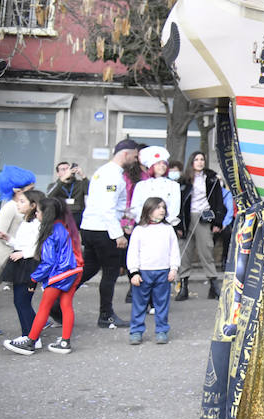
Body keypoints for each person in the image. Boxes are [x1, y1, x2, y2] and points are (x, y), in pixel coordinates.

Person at [2, 196, 80, 355]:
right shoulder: (63, 226)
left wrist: (33, 278)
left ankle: (31, 341)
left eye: (38, 211)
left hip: (59, 274)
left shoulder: (50, 231)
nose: (36, 214)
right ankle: (65, 342)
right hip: (74, 271)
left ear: (47, 213)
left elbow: (49, 262)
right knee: (66, 306)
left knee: (44, 307)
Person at [79, 138, 141, 329]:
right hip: (103, 230)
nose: (136, 160)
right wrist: (118, 235)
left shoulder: (103, 171)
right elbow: (107, 208)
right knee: (110, 273)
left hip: (91, 227)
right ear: (125, 154)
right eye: (135, 156)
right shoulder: (113, 175)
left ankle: (57, 303)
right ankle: (106, 315)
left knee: (88, 269)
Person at [126, 196, 180, 345]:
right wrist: (134, 271)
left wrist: (173, 268)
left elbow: (174, 250)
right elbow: (133, 252)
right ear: (148, 210)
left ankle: (162, 330)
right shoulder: (139, 230)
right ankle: (136, 331)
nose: (161, 210)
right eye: (158, 207)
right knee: (139, 303)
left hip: (163, 271)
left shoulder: (168, 229)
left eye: (163, 207)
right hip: (144, 272)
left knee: (162, 303)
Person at [0, 164, 37, 332]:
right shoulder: (11, 207)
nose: (33, 190)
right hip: (6, 254)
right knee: (17, 293)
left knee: (15, 293)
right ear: (18, 190)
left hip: (13, 251)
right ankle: (32, 324)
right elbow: (0, 233)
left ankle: (32, 323)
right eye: (30, 188)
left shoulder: (22, 205)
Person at [177, 151, 225, 302]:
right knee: (185, 252)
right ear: (191, 162)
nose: (199, 162)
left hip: (203, 217)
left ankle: (213, 284)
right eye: (196, 159)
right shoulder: (183, 180)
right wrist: (178, 223)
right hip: (186, 217)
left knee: (206, 249)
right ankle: (183, 285)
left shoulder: (211, 178)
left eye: (202, 159)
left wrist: (217, 222)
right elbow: (178, 203)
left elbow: (218, 202)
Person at [5, 189, 46, 340]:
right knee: (20, 301)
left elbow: (38, 246)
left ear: (33, 205)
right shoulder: (26, 222)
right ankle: (29, 334)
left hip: (29, 264)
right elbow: (23, 243)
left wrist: (23, 253)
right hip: (21, 263)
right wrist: (9, 239)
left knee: (22, 301)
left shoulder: (37, 224)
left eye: (23, 202)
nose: (18, 204)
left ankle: (31, 337)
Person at [130, 147, 180, 228]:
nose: (162, 166)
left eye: (164, 163)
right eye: (158, 163)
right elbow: (135, 207)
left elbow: (174, 208)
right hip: (144, 226)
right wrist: (146, 221)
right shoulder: (141, 185)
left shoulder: (173, 185)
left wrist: (164, 222)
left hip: (165, 226)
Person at [46, 160, 88, 227]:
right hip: (61, 215)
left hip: (77, 215)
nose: (67, 171)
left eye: (68, 169)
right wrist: (64, 178)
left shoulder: (80, 184)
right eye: (63, 169)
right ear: (58, 173)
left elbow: (89, 192)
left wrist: (83, 175)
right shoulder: (54, 185)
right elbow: (49, 196)